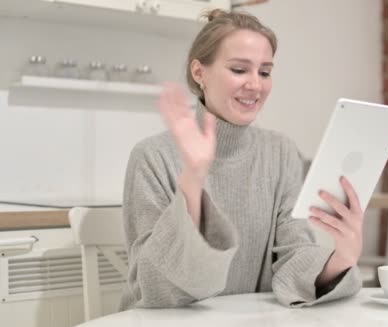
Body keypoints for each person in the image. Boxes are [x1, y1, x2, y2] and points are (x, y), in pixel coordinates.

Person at [119, 9, 363, 310]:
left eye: (264, 72)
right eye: (239, 70)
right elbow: (156, 288)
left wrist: (342, 258)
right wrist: (192, 183)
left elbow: (292, 255)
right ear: (199, 73)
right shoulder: (152, 157)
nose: (255, 85)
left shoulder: (281, 152)